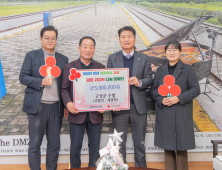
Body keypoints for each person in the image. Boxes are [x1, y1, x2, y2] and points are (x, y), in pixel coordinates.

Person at [19, 26, 69, 170]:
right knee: (34, 144)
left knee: (54, 144)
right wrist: (41, 82)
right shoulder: (31, 55)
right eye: (46, 38)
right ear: (41, 39)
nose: (50, 41)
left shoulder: (63, 59)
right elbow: (23, 77)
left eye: (53, 38)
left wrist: (65, 105)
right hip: (37, 106)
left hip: (55, 107)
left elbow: (65, 85)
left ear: (56, 40)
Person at [107, 26, 153, 167]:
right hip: (119, 108)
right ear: (119, 39)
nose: (126, 39)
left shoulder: (144, 58)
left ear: (134, 38)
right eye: (123, 37)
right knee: (119, 146)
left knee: (140, 144)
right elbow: (108, 81)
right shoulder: (112, 58)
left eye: (129, 36)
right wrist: (112, 103)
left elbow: (150, 79)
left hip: (138, 107)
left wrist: (139, 82)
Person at [151, 40, 200, 170]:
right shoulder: (160, 70)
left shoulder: (188, 69)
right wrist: (161, 100)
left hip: (182, 113)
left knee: (182, 147)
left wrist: (179, 98)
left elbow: (195, 89)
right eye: (169, 50)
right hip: (165, 113)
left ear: (180, 52)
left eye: (174, 50)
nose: (171, 52)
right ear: (165, 52)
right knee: (168, 147)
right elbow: (154, 90)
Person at [61, 36, 105, 168]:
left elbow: (105, 89)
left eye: (91, 47)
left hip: (95, 115)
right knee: (75, 148)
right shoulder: (70, 67)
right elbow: (64, 89)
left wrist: (105, 104)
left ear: (94, 49)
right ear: (79, 48)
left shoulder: (101, 67)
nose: (88, 50)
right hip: (76, 114)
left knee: (95, 148)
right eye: (85, 46)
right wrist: (68, 103)